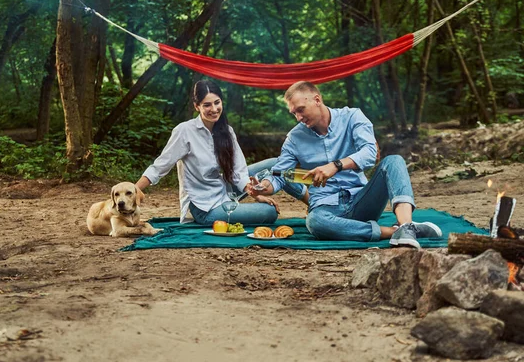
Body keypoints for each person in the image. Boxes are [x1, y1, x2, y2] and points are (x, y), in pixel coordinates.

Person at [248, 81, 442, 248]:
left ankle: (406, 225)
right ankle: (393, 232)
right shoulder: (294, 138)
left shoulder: (352, 117)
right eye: (293, 113)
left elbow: (370, 152)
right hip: (325, 207)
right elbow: (280, 174)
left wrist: (335, 165)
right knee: (315, 222)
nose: (298, 117)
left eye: (301, 110)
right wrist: (266, 187)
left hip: (362, 201)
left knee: (394, 161)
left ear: (317, 100)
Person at [135, 80, 307, 225]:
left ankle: (313, 203)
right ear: (197, 106)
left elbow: (238, 171)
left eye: (217, 103)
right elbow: (160, 166)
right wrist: (133, 190)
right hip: (204, 207)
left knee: (276, 164)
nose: (214, 109)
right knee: (269, 213)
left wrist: (253, 192)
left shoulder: (227, 131)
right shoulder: (184, 131)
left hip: (225, 190)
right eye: (207, 105)